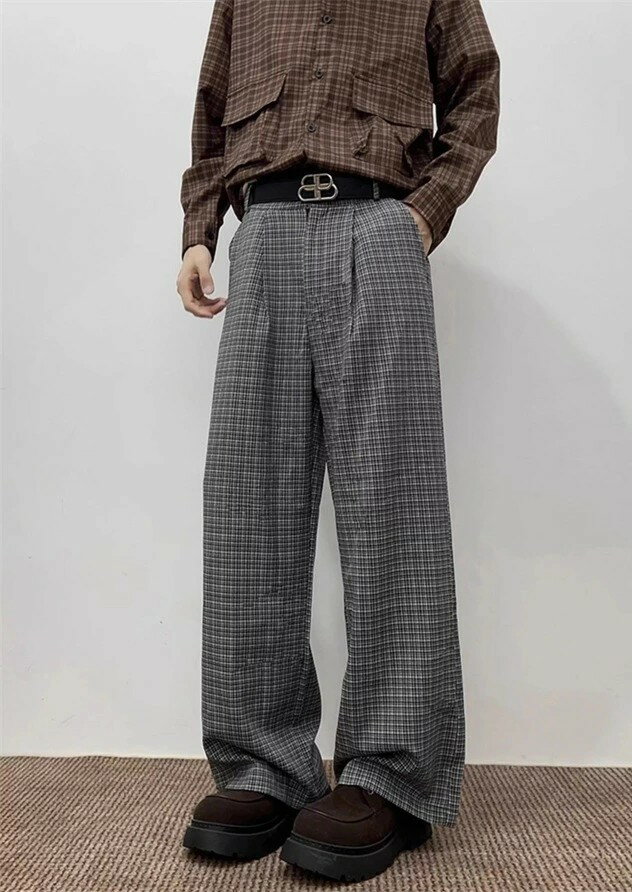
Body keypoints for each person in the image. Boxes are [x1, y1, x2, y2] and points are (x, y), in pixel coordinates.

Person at [176, 0, 499, 881]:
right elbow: (211, 107)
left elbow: (476, 87)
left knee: (393, 504)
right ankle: (263, 767)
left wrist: (425, 212)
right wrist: (200, 230)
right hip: (265, 234)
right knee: (249, 506)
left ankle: (392, 774)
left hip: (379, 227)